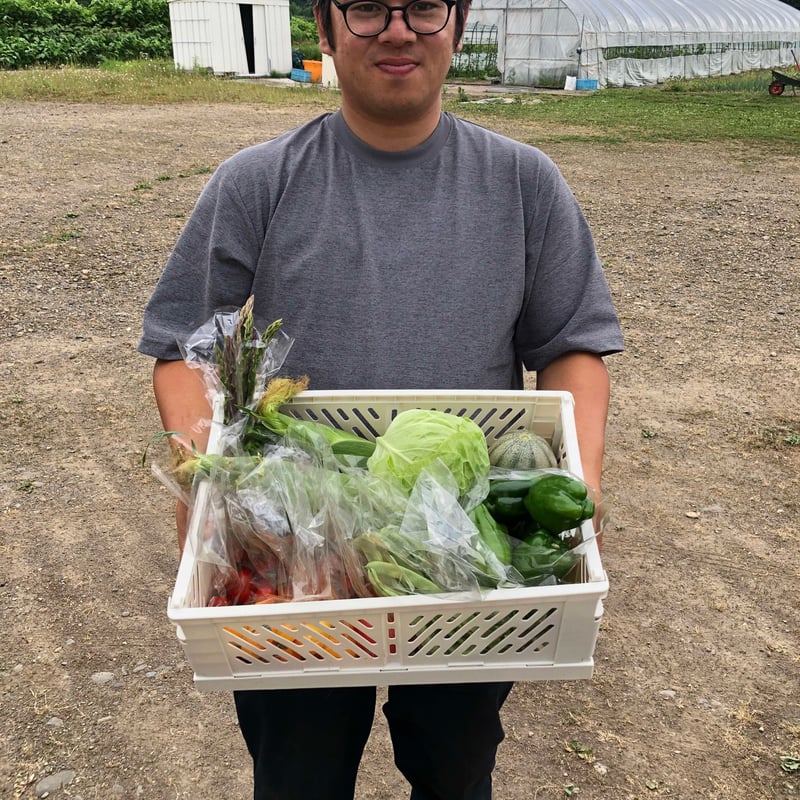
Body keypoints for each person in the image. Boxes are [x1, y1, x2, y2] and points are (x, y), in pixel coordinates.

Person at [137, 0, 624, 796]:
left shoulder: (524, 182)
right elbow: (179, 346)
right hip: (301, 555)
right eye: (365, 8)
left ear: (458, 27)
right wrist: (207, 473)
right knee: (298, 774)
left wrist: (582, 482)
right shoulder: (258, 180)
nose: (398, 30)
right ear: (325, 32)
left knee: (455, 768)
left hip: (464, 548)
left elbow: (571, 344)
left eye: (425, 6)